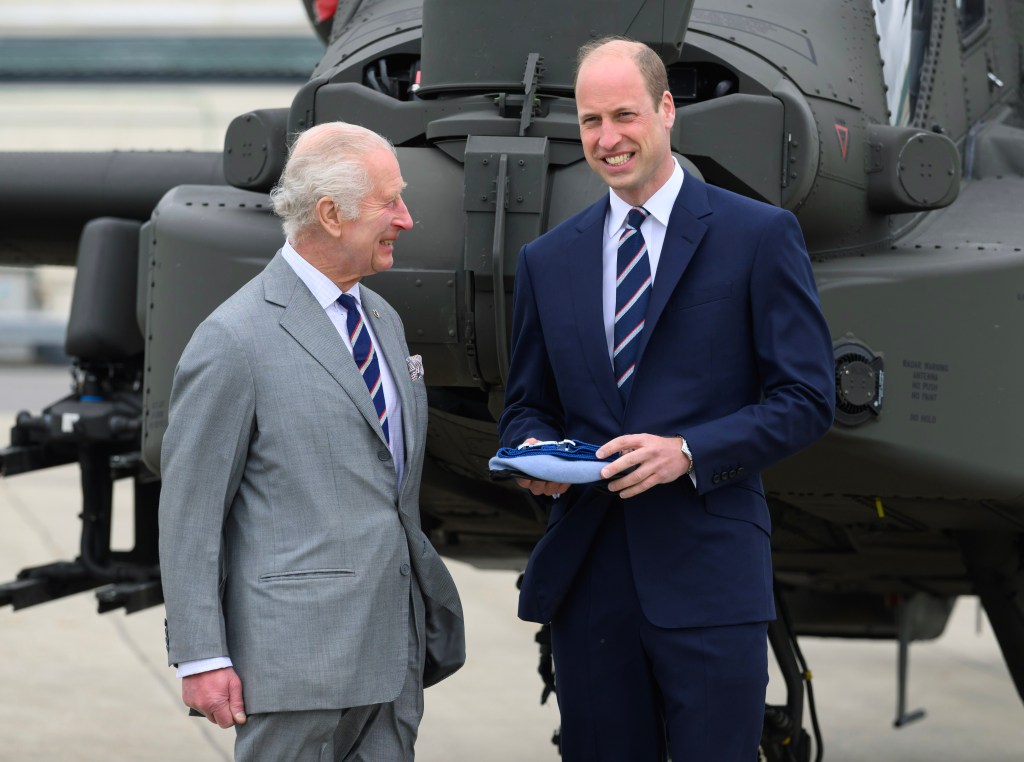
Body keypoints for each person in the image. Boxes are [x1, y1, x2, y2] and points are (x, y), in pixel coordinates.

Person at [499, 38, 835, 761]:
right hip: (590, 585)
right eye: (590, 121)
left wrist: (688, 452)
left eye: (624, 115)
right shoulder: (547, 259)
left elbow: (807, 396)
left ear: (666, 110)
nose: (608, 138)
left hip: (711, 579)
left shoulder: (759, 235)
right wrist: (531, 451)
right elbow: (527, 405)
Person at [159, 121, 464, 762]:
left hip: (392, 658)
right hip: (294, 667)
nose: (406, 219)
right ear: (330, 214)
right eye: (390, 202)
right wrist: (202, 655)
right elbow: (190, 513)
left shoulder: (381, 318)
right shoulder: (233, 340)